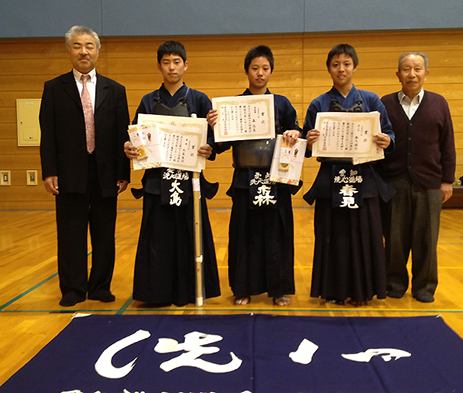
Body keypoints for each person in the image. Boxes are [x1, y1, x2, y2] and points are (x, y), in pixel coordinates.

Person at [124, 41, 220, 307]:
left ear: (185, 65)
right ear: (159, 66)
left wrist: (209, 144)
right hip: (157, 181)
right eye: (166, 62)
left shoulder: (200, 99)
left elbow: (213, 140)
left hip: (190, 182)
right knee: (158, 237)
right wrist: (130, 147)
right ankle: (157, 293)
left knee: (191, 234)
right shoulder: (147, 101)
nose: (171, 67)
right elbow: (135, 137)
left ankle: (190, 290)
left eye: (177, 62)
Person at [39, 26, 130, 307]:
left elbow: (122, 135)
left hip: (105, 173)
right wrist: (49, 171)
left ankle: (101, 286)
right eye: (77, 46)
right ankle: (73, 289)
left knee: (104, 233)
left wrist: (123, 173)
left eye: (89, 46)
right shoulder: (54, 88)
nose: (83, 51)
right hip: (69, 173)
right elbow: (48, 134)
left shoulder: (114, 90)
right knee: (70, 233)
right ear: (69, 51)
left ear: (98, 51)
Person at [207, 45, 302, 306]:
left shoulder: (281, 103)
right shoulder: (233, 105)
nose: (260, 73)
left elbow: (297, 130)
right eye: (255, 68)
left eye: (265, 69)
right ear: (247, 71)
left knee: (277, 234)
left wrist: (295, 133)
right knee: (243, 233)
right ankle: (243, 288)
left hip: (276, 178)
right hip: (244, 178)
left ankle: (278, 289)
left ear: (271, 71)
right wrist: (214, 127)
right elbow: (220, 144)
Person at [303, 44, 395, 306]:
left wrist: (386, 139)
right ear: (328, 68)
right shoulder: (318, 104)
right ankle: (332, 291)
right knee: (332, 237)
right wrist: (309, 140)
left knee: (364, 235)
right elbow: (306, 145)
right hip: (330, 180)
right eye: (335, 64)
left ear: (354, 66)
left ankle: (362, 291)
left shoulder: (371, 101)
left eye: (346, 64)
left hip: (364, 180)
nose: (341, 69)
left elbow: (389, 133)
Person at [377, 52, 456, 303]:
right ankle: (395, 284)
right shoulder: (385, 104)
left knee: (426, 240)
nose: (412, 74)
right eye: (406, 69)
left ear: (426, 73)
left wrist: (447, 181)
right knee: (395, 239)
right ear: (397, 74)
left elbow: (448, 145)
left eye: (417, 69)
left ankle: (424, 287)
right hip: (393, 182)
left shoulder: (439, 103)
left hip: (429, 184)